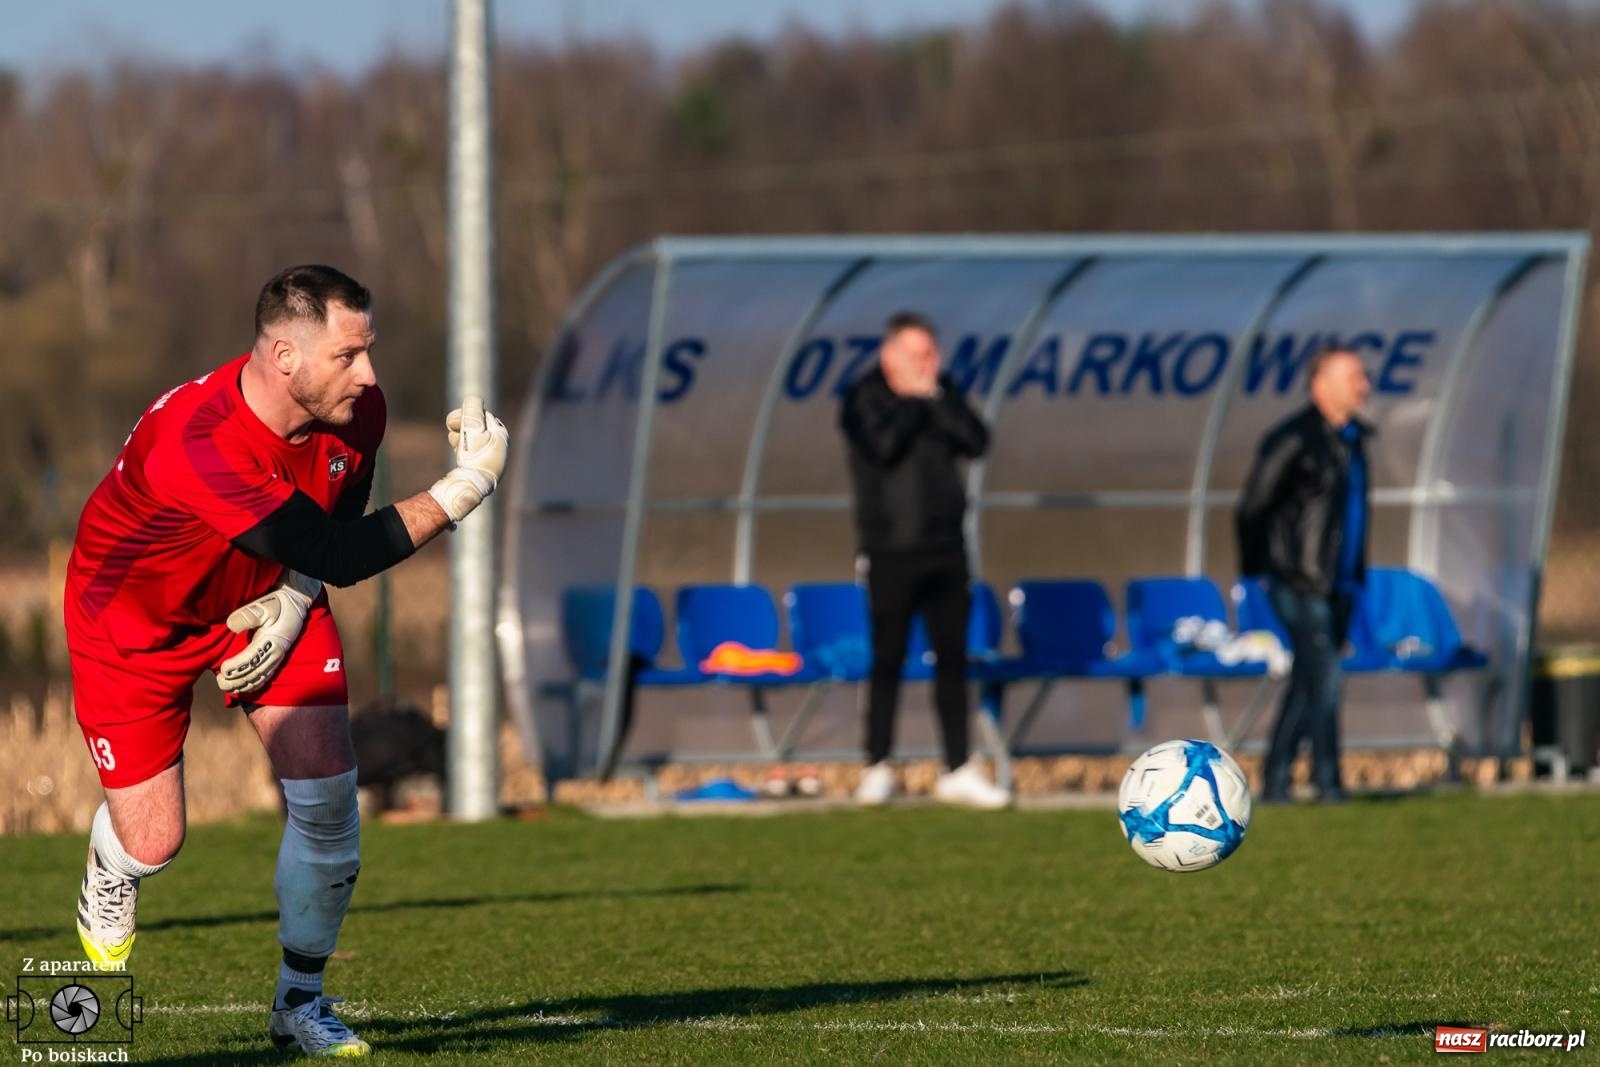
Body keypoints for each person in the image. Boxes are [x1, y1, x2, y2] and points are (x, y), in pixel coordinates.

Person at [63, 265, 509, 1057]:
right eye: (349, 355)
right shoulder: (196, 443)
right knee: (154, 841)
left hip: (269, 594)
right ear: (284, 356)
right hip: (134, 625)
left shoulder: (356, 410)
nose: (369, 375)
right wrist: (465, 486)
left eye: (367, 350)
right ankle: (111, 864)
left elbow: (329, 528)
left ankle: (300, 1000)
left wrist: (296, 597)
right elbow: (339, 550)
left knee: (332, 804)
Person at [839, 311, 1010, 810]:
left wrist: (936, 399)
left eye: (930, 354)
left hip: (947, 549)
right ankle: (877, 765)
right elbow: (884, 447)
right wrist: (916, 403)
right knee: (888, 658)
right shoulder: (864, 397)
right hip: (890, 550)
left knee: (953, 659)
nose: (925, 364)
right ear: (889, 355)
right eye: (914, 355)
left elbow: (976, 441)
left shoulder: (944, 393)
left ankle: (956, 766)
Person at [1236, 345, 1372, 805]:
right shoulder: (1293, 439)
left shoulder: (1353, 440)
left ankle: (1276, 778)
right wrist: (1260, 568)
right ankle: (1329, 782)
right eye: (1353, 377)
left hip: (1341, 582)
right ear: (1320, 385)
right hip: (1299, 581)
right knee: (1327, 675)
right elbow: (1253, 506)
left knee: (1309, 678)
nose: (1364, 386)